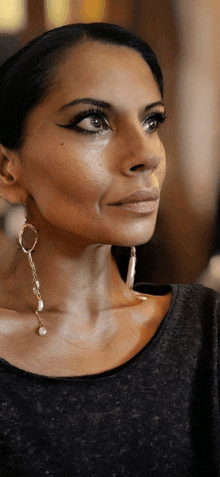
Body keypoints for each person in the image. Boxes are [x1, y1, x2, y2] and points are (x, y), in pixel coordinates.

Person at [0, 23, 219, 477]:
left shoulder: (208, 331)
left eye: (152, 120)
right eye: (93, 121)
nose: (147, 155)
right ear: (8, 169)